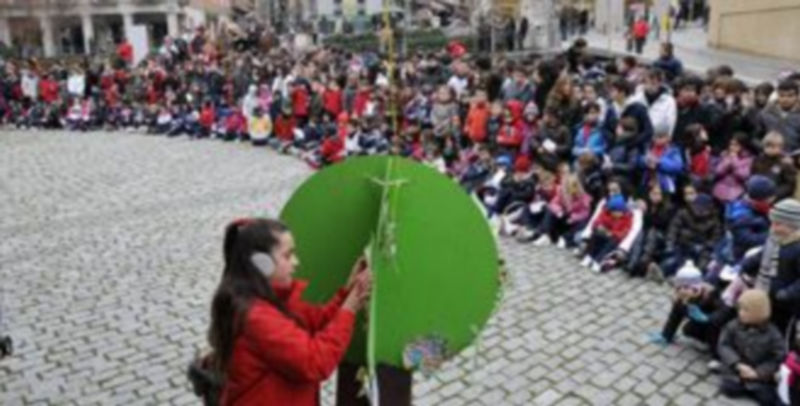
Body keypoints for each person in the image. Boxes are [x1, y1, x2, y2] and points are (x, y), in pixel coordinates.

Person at [208, 218, 372, 405]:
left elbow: (314, 323)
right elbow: (314, 362)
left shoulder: (270, 295)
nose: (296, 262)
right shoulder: (256, 316)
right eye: (288, 256)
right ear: (262, 264)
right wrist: (350, 308)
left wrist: (346, 294)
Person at [717, 289, 785, 406]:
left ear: (757, 312)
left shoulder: (773, 334)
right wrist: (736, 363)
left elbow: (778, 358)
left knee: (767, 399)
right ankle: (743, 385)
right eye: (740, 309)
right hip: (738, 368)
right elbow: (724, 344)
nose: (740, 312)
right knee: (729, 389)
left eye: (745, 310)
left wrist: (758, 373)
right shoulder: (734, 325)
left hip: (759, 373)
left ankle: (751, 386)